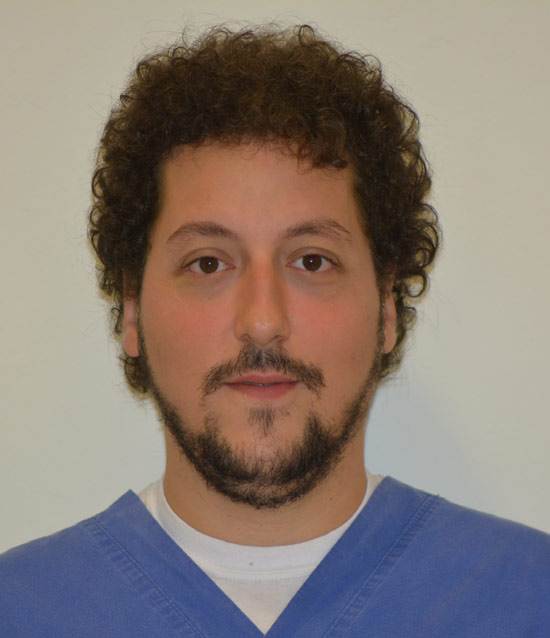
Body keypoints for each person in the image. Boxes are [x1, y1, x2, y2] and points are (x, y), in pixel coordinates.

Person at [1, 24, 548, 637]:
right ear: (132, 310)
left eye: (312, 260)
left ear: (386, 307)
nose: (263, 321)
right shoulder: (19, 611)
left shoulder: (531, 599)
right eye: (208, 263)